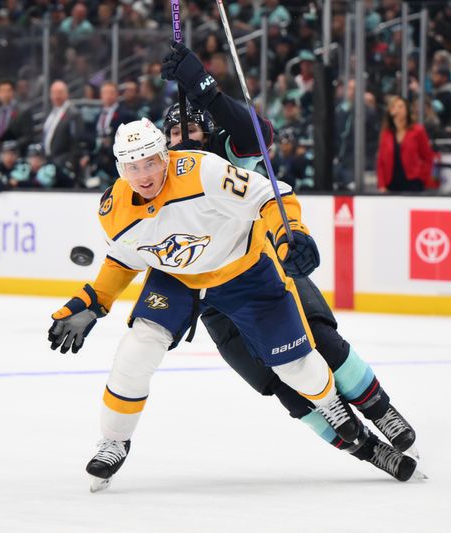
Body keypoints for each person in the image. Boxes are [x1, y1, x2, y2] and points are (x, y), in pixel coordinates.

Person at [48, 118, 355, 491]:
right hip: (178, 280)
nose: (143, 174)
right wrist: (95, 300)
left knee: (295, 366)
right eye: (133, 166)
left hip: (238, 270)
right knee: (135, 353)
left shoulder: (201, 170)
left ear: (165, 156)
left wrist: (289, 232)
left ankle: (330, 402)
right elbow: (126, 256)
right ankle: (114, 439)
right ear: (120, 168)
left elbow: (270, 195)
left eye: (150, 162)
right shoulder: (113, 210)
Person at [160, 41, 418, 479]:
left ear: (208, 137)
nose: (183, 141)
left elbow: (256, 134)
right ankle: (365, 447)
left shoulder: (225, 160)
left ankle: (380, 409)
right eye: (175, 137)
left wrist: (206, 92)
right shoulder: (157, 179)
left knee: (323, 341)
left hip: (265, 271)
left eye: (193, 133)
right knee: (277, 381)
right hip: (217, 303)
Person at [377, 95, 436, 192]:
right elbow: (381, 162)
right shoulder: (386, 134)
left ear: (407, 110)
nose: (398, 110)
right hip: (391, 183)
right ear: (390, 111)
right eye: (394, 106)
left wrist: (422, 176)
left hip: (413, 182)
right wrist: (381, 184)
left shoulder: (417, 131)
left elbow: (427, 157)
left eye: (401, 106)